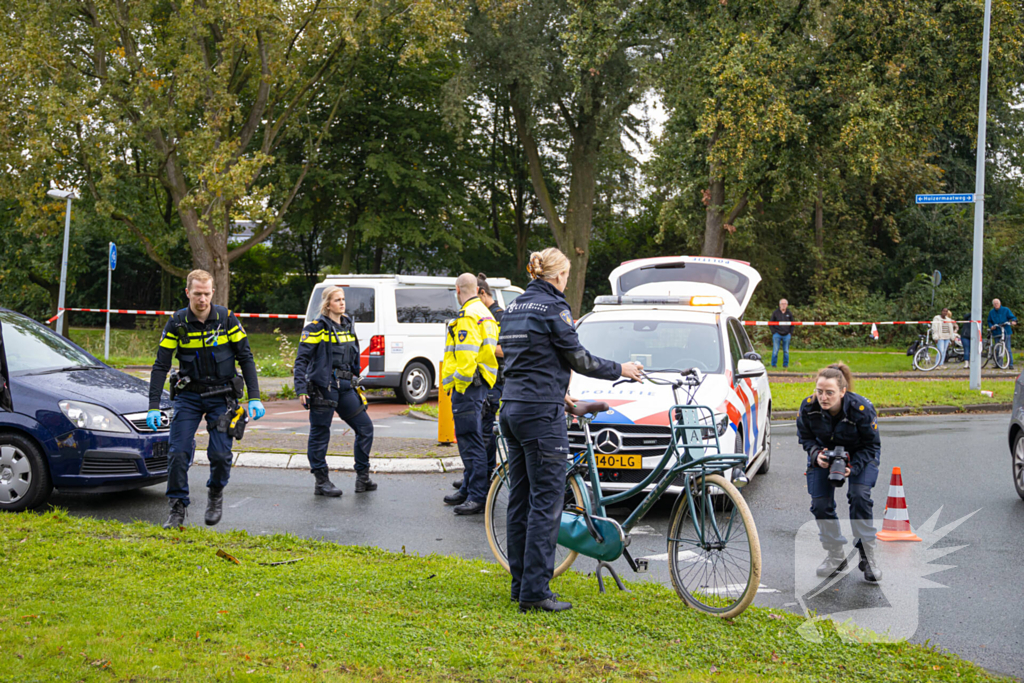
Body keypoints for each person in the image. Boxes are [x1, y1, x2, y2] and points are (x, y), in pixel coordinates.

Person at [499, 248, 644, 613]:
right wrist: (621, 369)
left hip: (512, 407)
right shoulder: (554, 308)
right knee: (546, 504)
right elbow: (577, 357)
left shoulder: (513, 308)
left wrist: (555, 392)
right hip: (540, 415)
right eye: (567, 275)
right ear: (559, 275)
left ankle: (519, 586)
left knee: (520, 501)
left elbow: (521, 358)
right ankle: (535, 592)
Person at [147, 269, 265, 529]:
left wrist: (254, 397)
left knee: (221, 454)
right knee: (177, 452)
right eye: (197, 293)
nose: (202, 299)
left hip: (221, 396)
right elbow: (160, 365)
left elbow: (245, 357)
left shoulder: (227, 319)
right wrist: (153, 406)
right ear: (188, 292)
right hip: (188, 396)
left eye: (207, 294)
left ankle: (215, 493)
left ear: (213, 292)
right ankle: (177, 506)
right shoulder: (177, 323)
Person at [796, 363, 882, 582]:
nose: (823, 397)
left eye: (830, 393)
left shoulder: (860, 409)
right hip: (825, 455)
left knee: (859, 496)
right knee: (820, 505)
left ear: (843, 392)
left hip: (860, 455)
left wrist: (851, 467)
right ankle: (835, 555)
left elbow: (872, 446)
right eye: (820, 391)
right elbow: (805, 437)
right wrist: (816, 454)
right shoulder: (808, 407)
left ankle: (867, 556)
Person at [294, 286, 377, 497]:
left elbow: (354, 356)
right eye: (337, 300)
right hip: (324, 389)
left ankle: (362, 478)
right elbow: (301, 360)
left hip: (346, 388)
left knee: (365, 428)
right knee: (320, 434)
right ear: (327, 304)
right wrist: (301, 387)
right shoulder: (315, 328)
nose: (342, 303)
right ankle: (321, 481)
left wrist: (356, 381)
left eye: (343, 299)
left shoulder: (348, 325)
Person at [440, 273, 500, 515]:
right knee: (476, 439)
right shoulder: (486, 313)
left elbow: (466, 356)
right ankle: (468, 488)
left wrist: (459, 385)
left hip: (468, 388)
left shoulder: (467, 316)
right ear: (477, 289)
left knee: (469, 441)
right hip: (483, 386)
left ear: (457, 290)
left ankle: (476, 495)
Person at [452, 273, 504, 493]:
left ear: (481, 292)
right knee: (475, 437)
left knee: (481, 438)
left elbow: (510, 349)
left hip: (489, 383)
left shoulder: (497, 316)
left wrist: (484, 347)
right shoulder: (484, 313)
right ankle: (471, 482)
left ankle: (480, 487)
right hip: (485, 382)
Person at [987, 299, 1018, 369]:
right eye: (994, 304)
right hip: (996, 332)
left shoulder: (1006, 310)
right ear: (993, 305)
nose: (996, 305)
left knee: (1007, 348)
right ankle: (998, 364)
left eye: (997, 303)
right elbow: (989, 321)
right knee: (997, 349)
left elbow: (1012, 317)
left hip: (1005, 331)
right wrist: (991, 326)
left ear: (1000, 303)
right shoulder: (991, 312)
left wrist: (1014, 321)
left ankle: (1010, 364)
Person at [769, 299, 795, 369]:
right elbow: (770, 323)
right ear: (779, 305)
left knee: (786, 351)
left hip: (786, 335)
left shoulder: (789, 313)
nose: (783, 305)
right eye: (782, 304)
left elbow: (793, 324)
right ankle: (773, 365)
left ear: (787, 305)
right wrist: (774, 332)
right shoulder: (775, 313)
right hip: (777, 334)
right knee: (775, 350)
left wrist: (790, 333)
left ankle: (785, 365)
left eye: (785, 304)